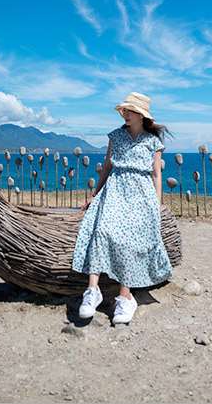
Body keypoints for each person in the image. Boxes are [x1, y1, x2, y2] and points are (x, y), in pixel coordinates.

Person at [72, 92, 173, 324]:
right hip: (115, 189)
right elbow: (107, 166)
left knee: (130, 239)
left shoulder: (153, 141)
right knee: (100, 230)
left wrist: (156, 205)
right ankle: (92, 291)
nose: (125, 114)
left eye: (130, 110)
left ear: (141, 115)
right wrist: (94, 195)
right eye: (124, 110)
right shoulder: (116, 136)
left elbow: (157, 175)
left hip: (142, 193)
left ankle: (125, 297)